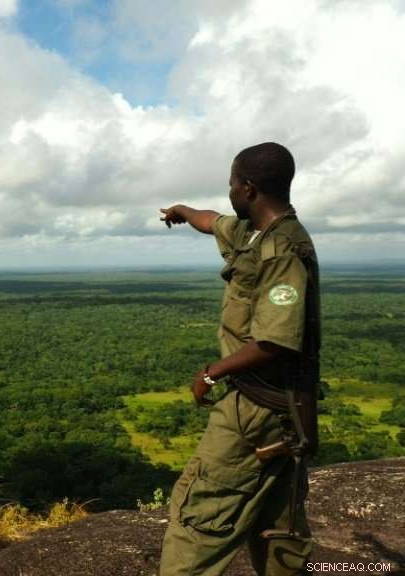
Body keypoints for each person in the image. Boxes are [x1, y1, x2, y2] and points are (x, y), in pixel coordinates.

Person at [157, 142, 320, 576]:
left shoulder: (282, 250)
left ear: (247, 188)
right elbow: (213, 222)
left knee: (198, 520)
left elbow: (274, 341)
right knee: (276, 527)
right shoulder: (255, 233)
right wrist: (183, 211)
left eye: (231, 182)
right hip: (277, 410)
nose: (228, 191)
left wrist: (210, 375)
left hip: (256, 407)